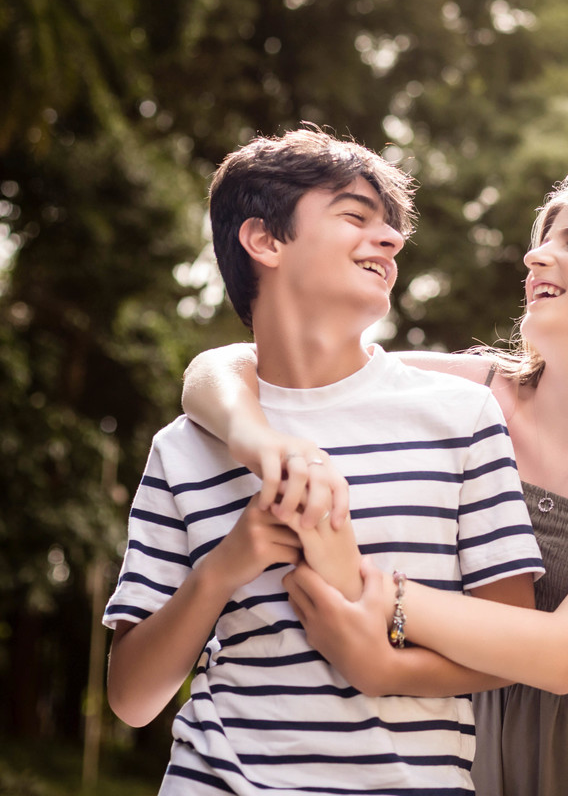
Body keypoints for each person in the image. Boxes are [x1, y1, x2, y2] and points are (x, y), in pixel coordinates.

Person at [182, 168, 568, 795]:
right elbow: (227, 367)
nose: (536, 255)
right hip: (465, 739)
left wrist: (381, 612)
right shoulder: (462, 396)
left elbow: (566, 654)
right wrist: (258, 440)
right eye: (542, 240)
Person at [104, 128, 544, 795]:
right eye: (355, 216)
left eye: (391, 226)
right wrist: (226, 566)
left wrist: (382, 661)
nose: (391, 240)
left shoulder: (461, 418)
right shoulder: (185, 445)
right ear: (266, 241)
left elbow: (513, 644)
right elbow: (132, 698)